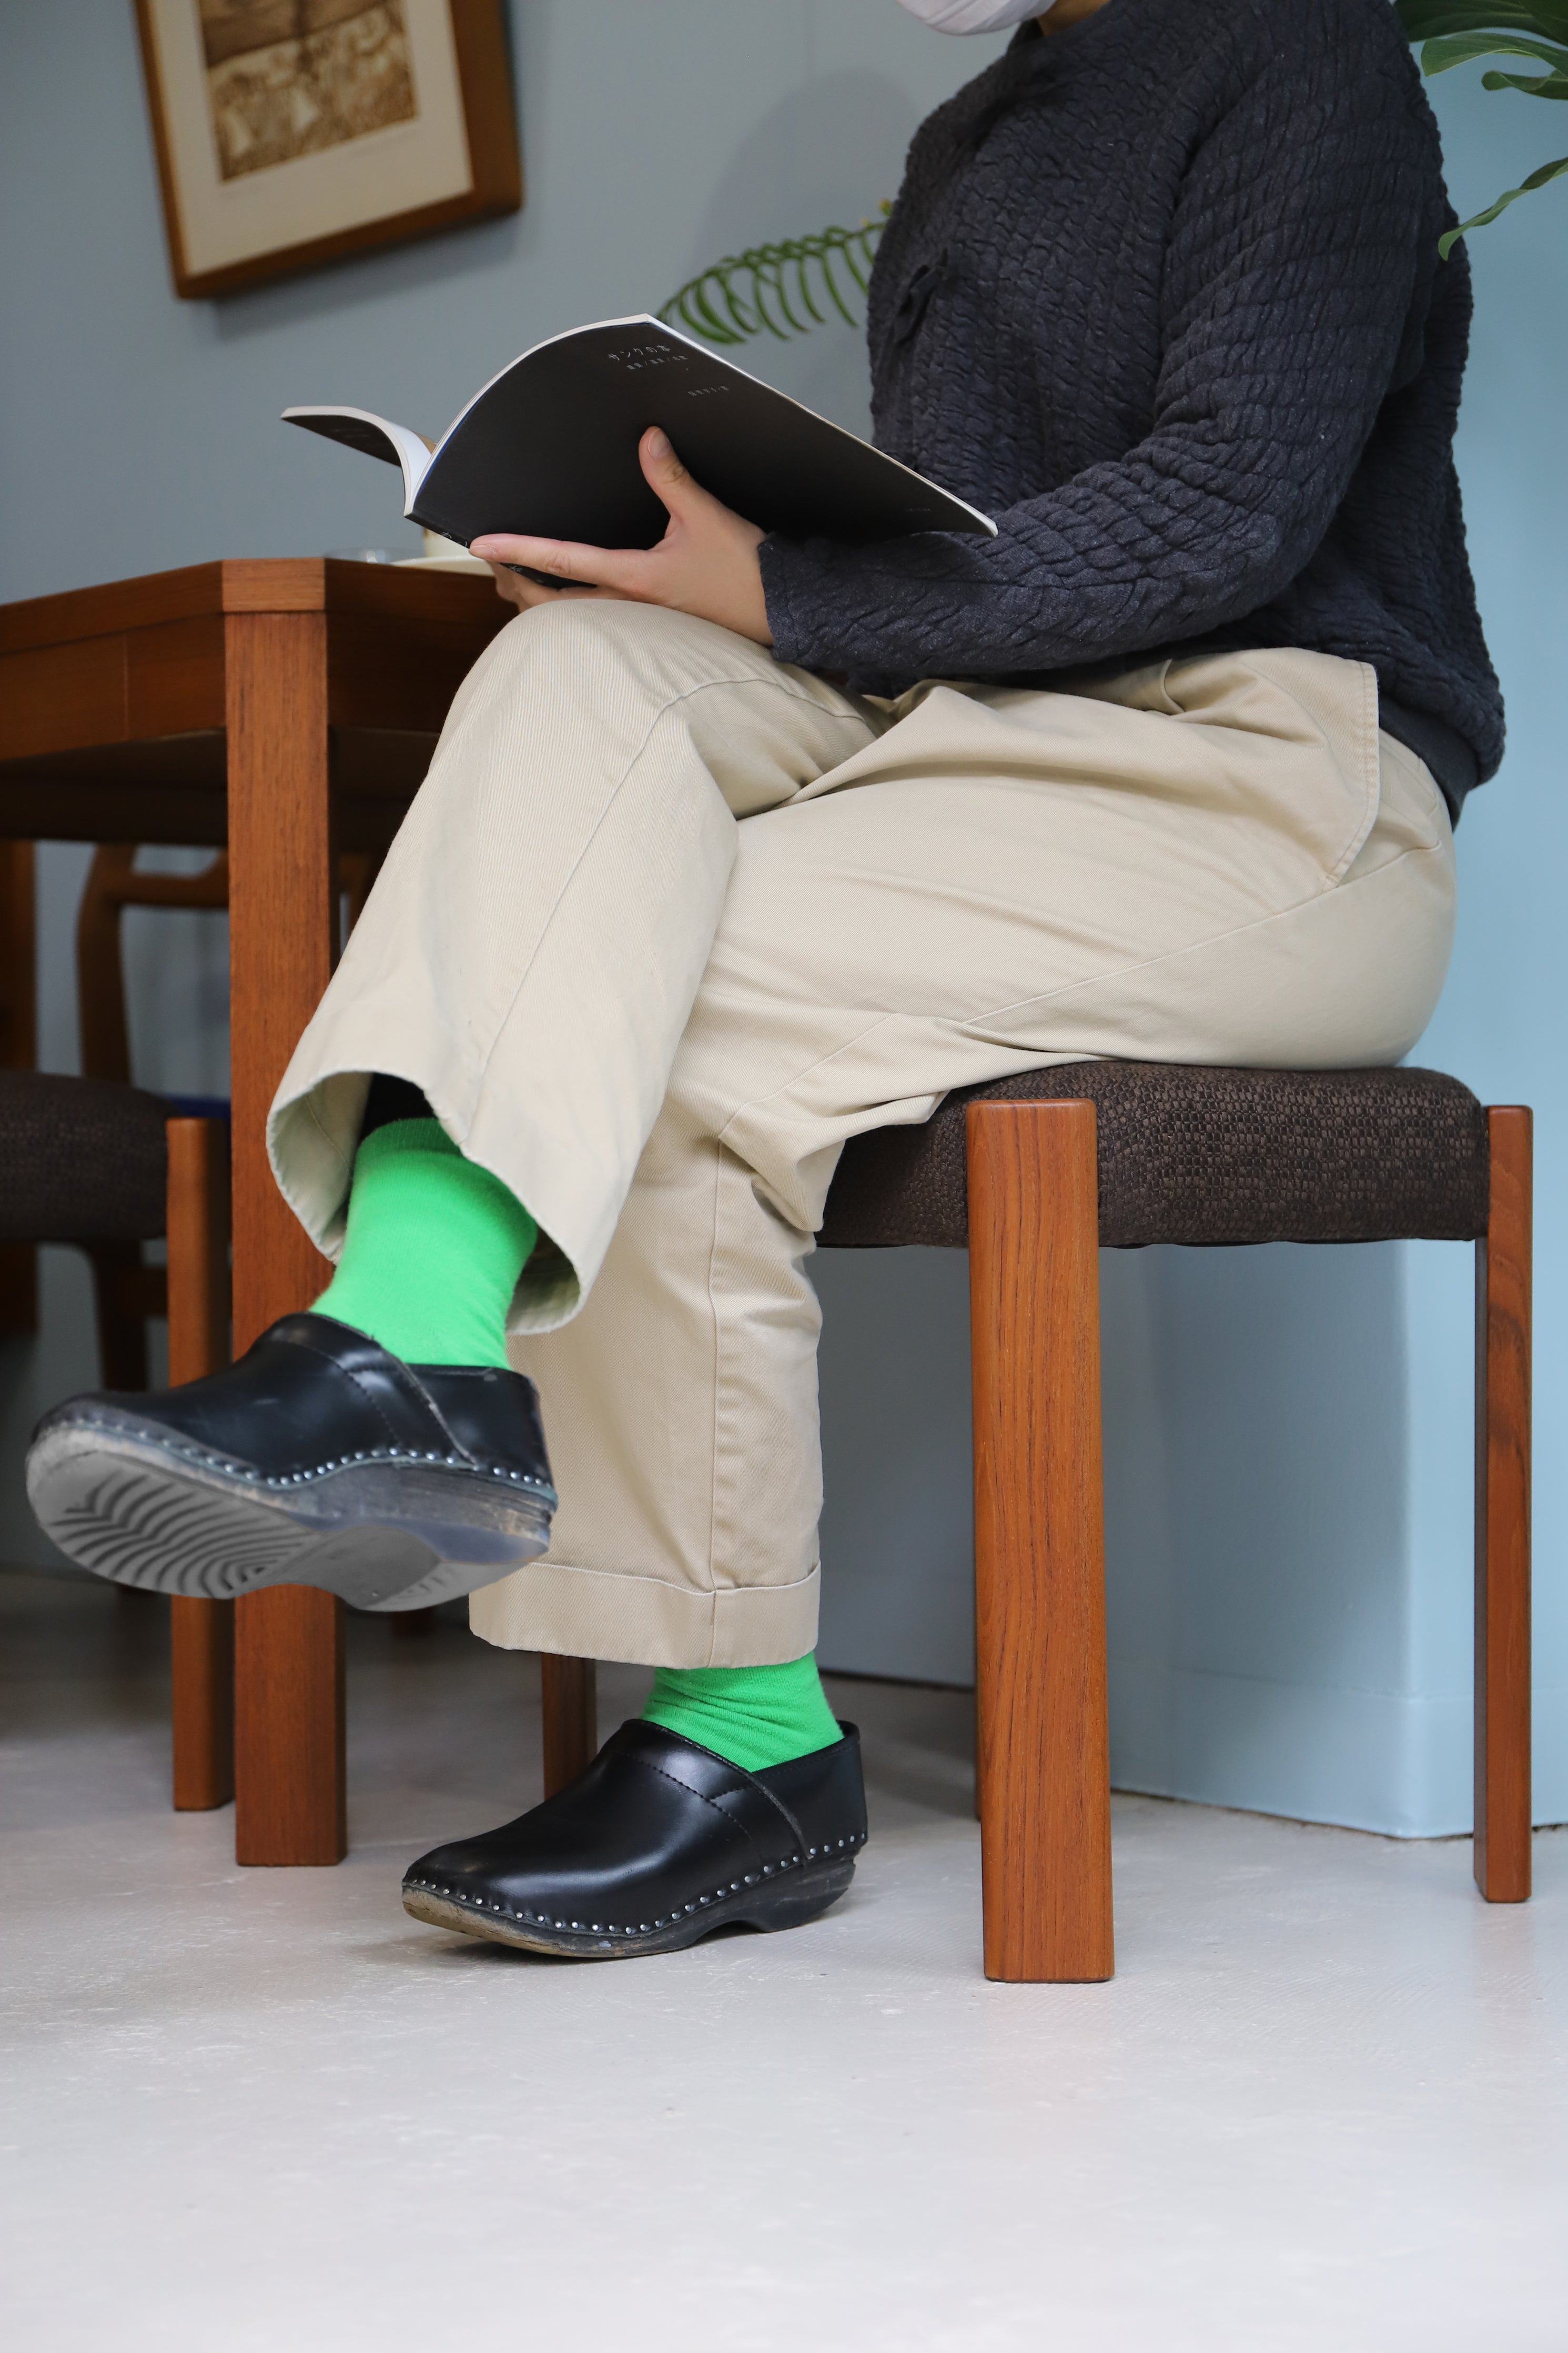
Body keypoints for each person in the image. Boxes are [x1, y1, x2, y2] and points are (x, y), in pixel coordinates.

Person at [30, 0, 1500, 1959]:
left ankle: (745, 1737)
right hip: (973, 738)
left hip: (1270, 784)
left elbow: (1224, 514)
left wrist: (781, 592)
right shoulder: (977, 134)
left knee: (661, 1007)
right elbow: (968, 564)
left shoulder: (1297, 47)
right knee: (571, 676)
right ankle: (409, 1337)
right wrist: (661, 572)